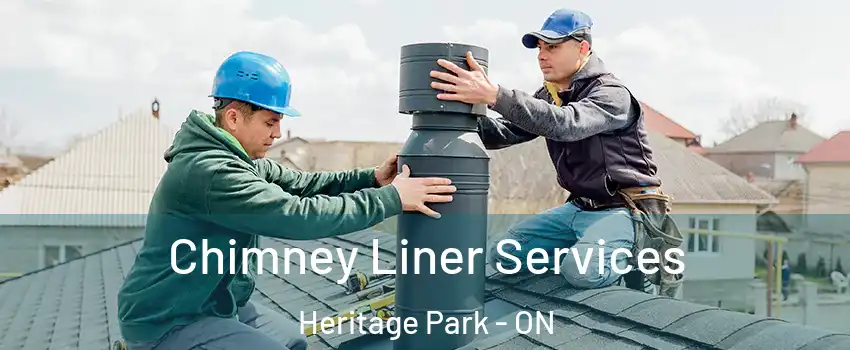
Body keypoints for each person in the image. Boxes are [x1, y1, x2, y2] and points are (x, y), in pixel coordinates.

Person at [116, 51, 457, 350]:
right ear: (234, 117)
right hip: (168, 320)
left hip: (211, 304)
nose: (277, 133)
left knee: (292, 340)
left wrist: (370, 179)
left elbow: (301, 186)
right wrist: (392, 199)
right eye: (271, 121)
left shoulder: (238, 160)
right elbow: (296, 214)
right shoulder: (211, 172)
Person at [430, 8, 677, 293]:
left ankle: (633, 261)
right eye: (539, 48)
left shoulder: (611, 94)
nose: (541, 55)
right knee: (503, 256)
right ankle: (586, 247)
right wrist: (450, 114)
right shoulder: (550, 94)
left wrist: (496, 95)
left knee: (584, 273)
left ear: (582, 48)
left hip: (627, 211)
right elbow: (505, 132)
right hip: (579, 207)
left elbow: (567, 124)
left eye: (553, 47)